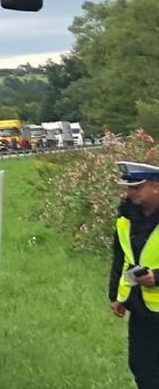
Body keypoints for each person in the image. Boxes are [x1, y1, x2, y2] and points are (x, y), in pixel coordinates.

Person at [110, 160, 159, 388]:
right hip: (141, 308)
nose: (129, 193)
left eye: (136, 187)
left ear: (155, 186)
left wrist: (156, 277)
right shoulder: (127, 215)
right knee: (141, 367)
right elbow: (120, 257)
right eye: (128, 187)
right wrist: (116, 296)